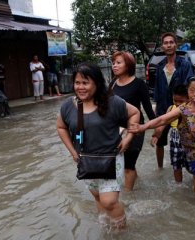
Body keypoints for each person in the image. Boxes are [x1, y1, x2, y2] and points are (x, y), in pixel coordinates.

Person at [56, 62, 140, 229]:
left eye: (85, 83)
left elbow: (135, 113)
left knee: (108, 201)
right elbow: (61, 127)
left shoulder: (112, 102)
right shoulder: (68, 105)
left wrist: (129, 137)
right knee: (97, 197)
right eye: (77, 83)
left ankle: (122, 231)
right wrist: (73, 152)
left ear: (96, 83)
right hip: (85, 161)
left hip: (111, 159)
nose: (80, 87)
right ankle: (106, 226)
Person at [129, 75, 195, 204]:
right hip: (194, 150)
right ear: (187, 91)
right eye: (192, 90)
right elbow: (163, 119)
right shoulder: (183, 109)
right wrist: (143, 127)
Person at [110, 51, 156, 191]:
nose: (114, 66)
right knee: (124, 163)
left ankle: (128, 197)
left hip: (135, 128)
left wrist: (157, 128)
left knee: (128, 164)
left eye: (119, 63)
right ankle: (136, 183)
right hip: (117, 129)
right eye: (113, 63)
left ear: (128, 65)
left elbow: (148, 109)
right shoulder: (112, 84)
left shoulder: (139, 84)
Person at [154, 32, 194, 168]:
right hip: (163, 109)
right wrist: (157, 108)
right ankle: (159, 169)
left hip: (181, 109)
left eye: (171, 42)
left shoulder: (185, 65)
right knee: (158, 140)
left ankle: (190, 168)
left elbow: (189, 88)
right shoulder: (159, 67)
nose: (169, 45)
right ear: (162, 46)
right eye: (165, 43)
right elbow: (157, 89)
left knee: (185, 141)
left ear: (176, 45)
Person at [151, 85, 188, 183]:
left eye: (181, 101)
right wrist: (157, 133)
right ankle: (179, 185)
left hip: (188, 141)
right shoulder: (171, 108)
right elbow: (164, 121)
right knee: (176, 165)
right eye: (175, 100)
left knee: (191, 165)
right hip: (175, 140)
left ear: (188, 99)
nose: (178, 104)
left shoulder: (191, 109)